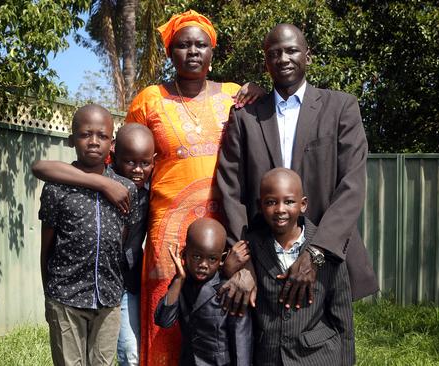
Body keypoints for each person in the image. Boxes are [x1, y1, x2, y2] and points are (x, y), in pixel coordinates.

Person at [125, 10, 264, 366]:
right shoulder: (149, 100)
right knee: (168, 321)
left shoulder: (236, 96)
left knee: (225, 320)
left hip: (225, 235)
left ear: (212, 51)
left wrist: (262, 92)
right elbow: (128, 159)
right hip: (169, 237)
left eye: (200, 44)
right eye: (182, 45)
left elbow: (264, 136)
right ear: (170, 53)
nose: (192, 52)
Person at [217, 24, 378, 316]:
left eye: (291, 50)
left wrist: (315, 253)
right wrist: (244, 261)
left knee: (328, 350)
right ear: (266, 63)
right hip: (262, 259)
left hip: (327, 258)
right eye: (274, 53)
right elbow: (231, 191)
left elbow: (352, 185)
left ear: (308, 55)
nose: (283, 58)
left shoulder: (341, 108)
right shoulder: (245, 117)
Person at [33, 122, 155, 366]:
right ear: (115, 154)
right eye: (129, 161)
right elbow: (39, 167)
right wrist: (103, 183)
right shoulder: (66, 186)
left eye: (102, 135)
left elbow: (121, 239)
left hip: (114, 289)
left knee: (116, 357)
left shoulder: (137, 189)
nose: (137, 170)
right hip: (69, 292)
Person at [245, 168, 353, 365]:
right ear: (260, 206)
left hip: (318, 356)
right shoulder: (251, 246)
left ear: (303, 204)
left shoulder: (326, 248)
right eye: (270, 202)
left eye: (289, 201)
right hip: (268, 356)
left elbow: (342, 314)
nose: (280, 209)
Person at [154, 217, 252, 366]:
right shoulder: (181, 284)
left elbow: (241, 343)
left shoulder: (230, 289)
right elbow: (164, 320)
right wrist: (179, 279)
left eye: (212, 259)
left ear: (221, 259)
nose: (203, 265)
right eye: (197, 256)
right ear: (184, 253)